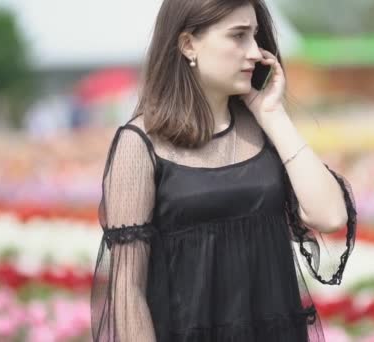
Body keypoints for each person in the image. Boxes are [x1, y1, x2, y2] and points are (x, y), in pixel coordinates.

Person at [90, 1, 357, 341]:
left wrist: (273, 114)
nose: (255, 52)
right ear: (188, 45)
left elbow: (330, 216)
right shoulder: (140, 144)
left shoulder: (264, 130)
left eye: (256, 36)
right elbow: (128, 291)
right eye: (238, 36)